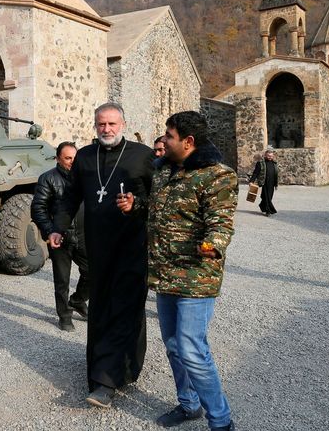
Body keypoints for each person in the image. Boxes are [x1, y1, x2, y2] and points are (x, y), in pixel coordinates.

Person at [119, 111, 237, 431]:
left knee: (191, 348)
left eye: (169, 136)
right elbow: (156, 211)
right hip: (165, 273)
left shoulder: (218, 176)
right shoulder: (164, 172)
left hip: (196, 277)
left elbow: (221, 222)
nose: (164, 140)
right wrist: (136, 205)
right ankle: (189, 404)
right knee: (173, 346)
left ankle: (221, 421)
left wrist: (213, 243)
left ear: (188, 142)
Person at [50, 102, 155, 408]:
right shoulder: (84, 156)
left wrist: (135, 204)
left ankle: (107, 381)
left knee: (125, 306)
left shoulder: (142, 155)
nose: (106, 130)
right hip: (97, 246)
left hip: (132, 245)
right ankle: (115, 366)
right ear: (95, 126)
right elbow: (70, 198)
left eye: (112, 124)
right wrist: (57, 227)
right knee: (101, 306)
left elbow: (157, 200)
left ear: (123, 124)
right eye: (101, 125)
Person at [31, 141, 90, 332]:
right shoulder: (47, 179)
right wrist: (50, 232)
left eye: (75, 158)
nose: (72, 162)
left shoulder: (85, 178)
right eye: (68, 158)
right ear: (58, 158)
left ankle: (78, 301)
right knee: (62, 280)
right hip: (60, 238)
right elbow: (38, 209)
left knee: (93, 272)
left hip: (83, 236)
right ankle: (64, 316)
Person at [250, 147, 279, 216]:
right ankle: (269, 211)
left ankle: (262, 206)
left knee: (268, 196)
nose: (270, 157)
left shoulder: (274, 163)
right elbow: (255, 173)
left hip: (272, 183)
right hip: (264, 182)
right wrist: (252, 181)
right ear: (265, 155)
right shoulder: (260, 163)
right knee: (267, 196)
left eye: (271, 156)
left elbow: (276, 174)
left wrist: (276, 184)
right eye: (269, 156)